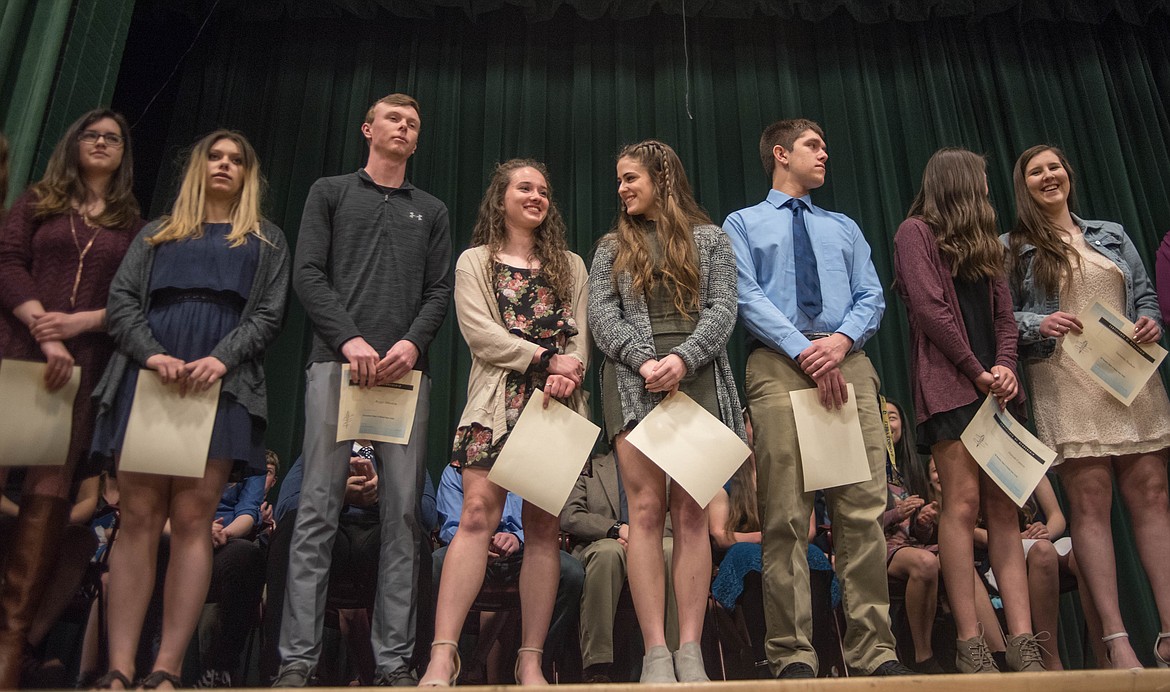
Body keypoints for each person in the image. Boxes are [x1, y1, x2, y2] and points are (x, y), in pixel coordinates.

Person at [89, 129, 290, 689]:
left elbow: (270, 315)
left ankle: (167, 668)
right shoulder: (156, 233)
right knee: (138, 520)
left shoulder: (266, 240)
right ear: (197, 168)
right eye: (214, 157)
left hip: (220, 385)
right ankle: (120, 667)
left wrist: (220, 360)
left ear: (249, 175)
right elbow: (122, 302)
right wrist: (154, 355)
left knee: (195, 522)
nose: (224, 166)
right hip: (150, 378)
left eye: (236, 160)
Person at [277, 93, 452, 688]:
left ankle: (394, 663)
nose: (404, 128)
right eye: (394, 119)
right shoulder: (329, 192)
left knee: (403, 517)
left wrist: (410, 345)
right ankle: (297, 661)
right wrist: (350, 340)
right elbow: (307, 273)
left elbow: (438, 293)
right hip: (336, 366)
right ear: (367, 129)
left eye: (413, 123)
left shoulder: (430, 209)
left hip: (404, 375)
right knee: (316, 515)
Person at [723, 119, 907, 678]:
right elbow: (744, 294)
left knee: (860, 513)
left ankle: (875, 652)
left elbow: (871, 295)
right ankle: (791, 654)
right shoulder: (743, 222)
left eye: (825, 144)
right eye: (813, 145)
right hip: (779, 362)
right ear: (781, 154)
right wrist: (804, 350)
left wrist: (841, 341)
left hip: (845, 359)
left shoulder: (843, 227)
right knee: (784, 515)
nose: (825, 153)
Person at [419, 158, 589, 687]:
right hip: (496, 402)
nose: (537, 196)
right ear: (502, 199)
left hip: (555, 406)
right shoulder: (475, 261)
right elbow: (480, 334)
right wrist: (544, 361)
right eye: (524, 187)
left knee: (543, 530)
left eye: (543, 189)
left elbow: (579, 335)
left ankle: (530, 660)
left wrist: (570, 371)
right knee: (475, 516)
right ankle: (443, 656)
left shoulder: (571, 265)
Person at [1004, 144, 1170, 670]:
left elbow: (1144, 298)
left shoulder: (1111, 233)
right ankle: (1117, 640)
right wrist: (1039, 323)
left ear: (1068, 175)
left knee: (1152, 495)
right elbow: (1004, 316)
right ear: (1023, 184)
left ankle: (1169, 631)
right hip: (1065, 377)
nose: (1049, 176)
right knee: (1091, 504)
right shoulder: (1014, 246)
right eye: (1036, 171)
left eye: (1055, 167)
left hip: (1128, 377)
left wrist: (1150, 322)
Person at [589, 139, 744, 684]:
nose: (622, 188)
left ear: (663, 178)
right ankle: (656, 652)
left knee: (693, 517)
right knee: (646, 515)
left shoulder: (712, 240)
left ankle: (690, 650)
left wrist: (683, 358)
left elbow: (725, 308)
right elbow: (601, 316)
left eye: (631, 177)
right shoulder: (610, 247)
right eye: (619, 180)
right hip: (635, 387)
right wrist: (644, 360)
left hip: (698, 385)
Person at [0, 109, 142, 688]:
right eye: (92, 134)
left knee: (49, 501)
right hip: (18, 356)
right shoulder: (38, 200)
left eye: (113, 138)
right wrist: (40, 325)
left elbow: (134, 299)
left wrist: (77, 325)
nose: (103, 143)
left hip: (82, 371)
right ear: (74, 142)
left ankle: (10, 650)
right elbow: (7, 261)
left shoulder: (131, 222)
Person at [893, 147, 1042, 673]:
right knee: (960, 506)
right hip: (952, 388)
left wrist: (1003, 367)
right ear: (957, 183)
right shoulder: (915, 233)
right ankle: (970, 641)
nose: (986, 190)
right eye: (979, 181)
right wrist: (975, 369)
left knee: (1006, 511)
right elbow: (931, 310)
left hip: (996, 390)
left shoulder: (986, 243)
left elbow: (1005, 316)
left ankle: (1023, 643)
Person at [431, 465, 584, 684]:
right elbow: (451, 525)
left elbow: (539, 528)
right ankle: (446, 659)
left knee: (571, 572)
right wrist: (484, 544)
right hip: (476, 549)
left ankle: (534, 662)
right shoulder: (454, 471)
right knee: (436, 563)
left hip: (521, 552)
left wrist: (516, 538)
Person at [560, 449, 678, 683]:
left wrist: (644, 537)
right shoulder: (592, 467)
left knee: (670, 550)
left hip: (656, 540)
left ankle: (671, 657)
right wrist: (617, 529)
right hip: (602, 543)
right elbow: (570, 514)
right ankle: (597, 666)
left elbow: (679, 515)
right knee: (608, 553)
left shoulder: (663, 467)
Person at [880, 400, 943, 673]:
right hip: (879, 548)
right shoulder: (865, 473)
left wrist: (924, 521)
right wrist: (896, 514)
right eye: (880, 417)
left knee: (953, 558)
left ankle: (990, 650)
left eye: (892, 417)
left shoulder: (912, 471)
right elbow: (855, 526)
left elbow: (917, 532)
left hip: (913, 545)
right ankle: (923, 655)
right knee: (926, 562)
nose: (886, 424)